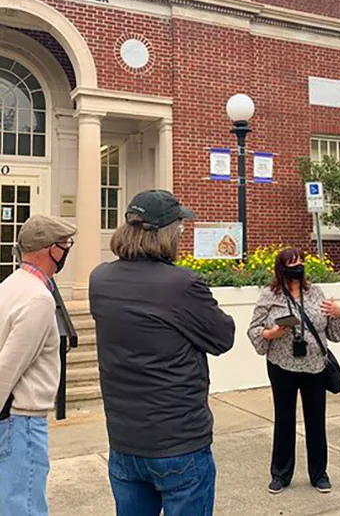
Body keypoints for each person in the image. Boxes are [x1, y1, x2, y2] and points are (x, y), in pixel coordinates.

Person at [90, 190, 235, 515]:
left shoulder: (100, 279)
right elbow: (223, 337)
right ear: (165, 233)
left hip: (125, 440)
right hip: (179, 442)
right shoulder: (180, 283)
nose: (182, 235)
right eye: (180, 228)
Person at [248, 248, 340, 495]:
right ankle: (280, 474)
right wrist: (269, 334)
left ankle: (319, 474)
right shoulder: (269, 296)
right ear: (282, 268)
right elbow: (253, 329)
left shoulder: (315, 293)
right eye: (293, 263)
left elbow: (335, 334)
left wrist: (339, 315)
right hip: (282, 366)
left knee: (316, 420)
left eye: (301, 262)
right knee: (284, 419)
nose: (299, 266)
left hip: (315, 366)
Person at [0, 215, 76, 516]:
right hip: (23, 422)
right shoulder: (39, 299)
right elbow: (8, 366)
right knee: (25, 507)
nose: (67, 250)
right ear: (50, 250)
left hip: (11, 419)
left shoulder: (10, 284)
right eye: (65, 244)